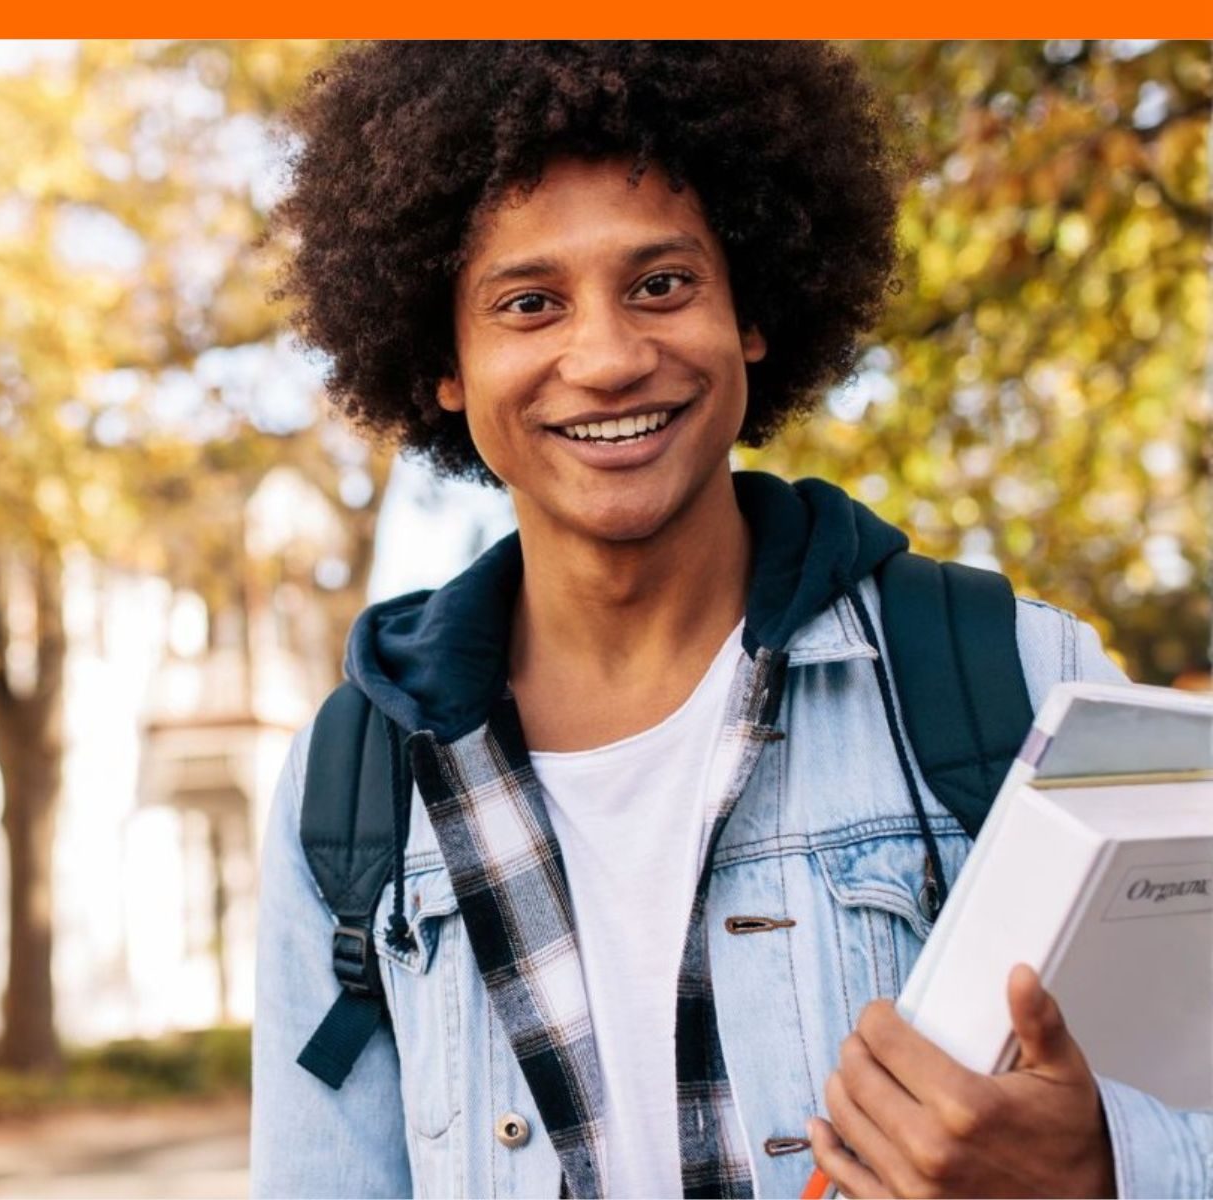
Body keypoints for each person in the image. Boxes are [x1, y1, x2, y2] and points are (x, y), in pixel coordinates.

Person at [250, 41, 1211, 1199]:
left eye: (660, 284)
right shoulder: (349, 787)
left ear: (750, 310)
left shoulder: (1014, 677)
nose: (604, 357)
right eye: (527, 303)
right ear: (442, 361)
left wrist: (1108, 1166)